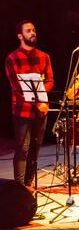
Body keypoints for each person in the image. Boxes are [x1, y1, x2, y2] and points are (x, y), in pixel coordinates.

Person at [5, 20, 54, 190]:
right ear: (20, 36)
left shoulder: (44, 56)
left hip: (41, 111)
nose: (33, 33)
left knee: (35, 148)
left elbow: (49, 81)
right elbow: (17, 87)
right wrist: (37, 101)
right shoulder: (12, 58)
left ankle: (28, 183)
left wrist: (42, 99)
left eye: (34, 30)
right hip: (22, 110)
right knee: (22, 148)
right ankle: (19, 187)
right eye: (28, 31)